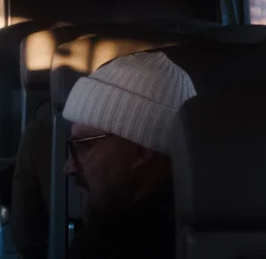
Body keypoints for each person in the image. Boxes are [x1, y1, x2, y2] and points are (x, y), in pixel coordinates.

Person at [56, 50, 194, 259]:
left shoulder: (104, 245)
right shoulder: (219, 223)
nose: (69, 167)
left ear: (140, 151)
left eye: (84, 146)